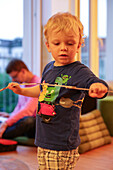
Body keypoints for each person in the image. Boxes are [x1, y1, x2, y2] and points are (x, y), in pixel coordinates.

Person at [7, 13, 108, 170]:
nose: (63, 48)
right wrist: (22, 90)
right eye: (56, 43)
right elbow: (42, 90)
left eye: (70, 43)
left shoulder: (79, 70)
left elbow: (94, 82)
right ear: (48, 45)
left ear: (79, 44)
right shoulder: (49, 68)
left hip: (62, 142)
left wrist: (98, 87)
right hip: (43, 138)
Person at [0, 59, 41, 139]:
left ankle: (3, 134)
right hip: (23, 124)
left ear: (23, 71)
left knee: (28, 121)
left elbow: (28, 111)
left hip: (34, 125)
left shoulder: (38, 84)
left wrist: (7, 123)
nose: (13, 80)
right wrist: (10, 115)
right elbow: (19, 107)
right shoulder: (22, 85)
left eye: (15, 77)